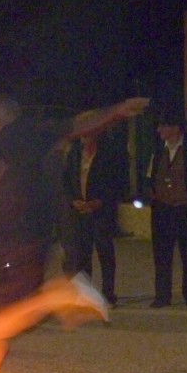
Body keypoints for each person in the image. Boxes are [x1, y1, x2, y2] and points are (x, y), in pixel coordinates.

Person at [0, 94, 149, 373]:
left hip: (16, 240)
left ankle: (61, 295)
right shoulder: (33, 133)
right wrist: (116, 109)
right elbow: (78, 123)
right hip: (27, 236)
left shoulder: (9, 139)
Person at [144, 108, 187, 308]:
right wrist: (154, 197)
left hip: (186, 209)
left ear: (174, 128)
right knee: (162, 255)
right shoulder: (158, 150)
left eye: (162, 126)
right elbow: (151, 176)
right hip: (163, 210)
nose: (158, 130)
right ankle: (162, 296)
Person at [59, 129, 122, 307]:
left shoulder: (108, 153)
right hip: (79, 212)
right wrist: (74, 201)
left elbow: (115, 182)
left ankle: (108, 294)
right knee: (82, 254)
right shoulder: (74, 154)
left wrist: (99, 202)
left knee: (105, 253)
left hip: (101, 211)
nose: (84, 138)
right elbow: (66, 180)